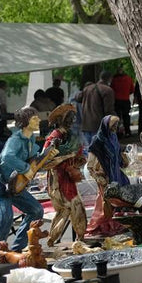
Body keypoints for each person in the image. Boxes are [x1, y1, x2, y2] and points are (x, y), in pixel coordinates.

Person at [0, 107, 45, 251]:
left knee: (36, 211)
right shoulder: (15, 139)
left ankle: (17, 249)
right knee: (5, 216)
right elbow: (7, 157)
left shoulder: (31, 138)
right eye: (35, 118)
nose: (39, 120)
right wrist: (26, 168)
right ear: (26, 121)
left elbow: (32, 157)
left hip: (13, 183)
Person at [43, 104, 87, 246]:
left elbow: (79, 156)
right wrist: (65, 163)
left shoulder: (72, 136)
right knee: (69, 206)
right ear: (61, 119)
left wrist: (77, 163)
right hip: (59, 179)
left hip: (68, 178)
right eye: (69, 117)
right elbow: (45, 159)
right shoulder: (56, 136)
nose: (72, 120)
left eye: (73, 117)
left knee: (72, 207)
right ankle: (56, 238)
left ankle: (77, 238)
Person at [86, 115, 129, 236]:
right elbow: (91, 163)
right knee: (105, 202)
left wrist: (123, 160)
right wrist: (98, 176)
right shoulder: (97, 141)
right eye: (113, 125)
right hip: (105, 175)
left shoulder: (113, 137)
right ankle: (103, 225)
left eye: (116, 125)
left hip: (116, 173)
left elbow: (117, 153)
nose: (115, 127)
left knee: (120, 198)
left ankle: (117, 223)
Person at [80, 71, 115, 149]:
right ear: (110, 79)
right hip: (99, 126)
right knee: (101, 153)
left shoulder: (87, 88)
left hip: (85, 126)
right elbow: (108, 110)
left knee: (89, 153)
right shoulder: (107, 90)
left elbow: (78, 97)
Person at [110, 69, 135, 136]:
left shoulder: (114, 80)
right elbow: (132, 90)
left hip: (117, 101)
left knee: (117, 117)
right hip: (126, 100)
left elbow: (111, 90)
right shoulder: (129, 78)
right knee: (126, 116)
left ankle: (117, 132)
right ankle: (127, 132)